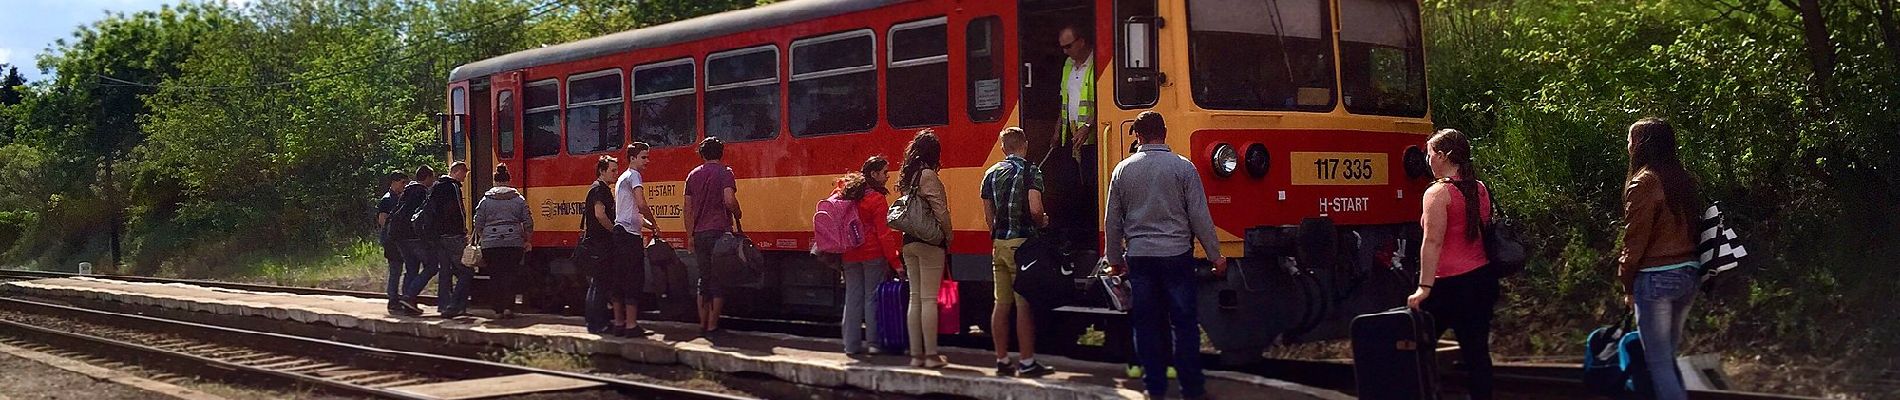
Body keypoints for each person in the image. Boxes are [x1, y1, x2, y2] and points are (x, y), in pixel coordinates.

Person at [1103, 111, 1226, 400]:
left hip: (1141, 259)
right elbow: (1199, 216)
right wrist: (1215, 255)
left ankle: (1154, 388)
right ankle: (1192, 389)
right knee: (1184, 323)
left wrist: (1114, 261)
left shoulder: (1122, 170)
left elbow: (1112, 222)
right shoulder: (1184, 168)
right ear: (1166, 132)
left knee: (1146, 323)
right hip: (1176, 256)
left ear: (1138, 136)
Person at [1405, 128, 1498, 400]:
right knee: (1477, 353)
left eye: (1431, 154)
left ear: (1443, 156)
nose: (1428, 160)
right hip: (1481, 280)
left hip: (1447, 286)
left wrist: (1424, 287)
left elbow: (1432, 242)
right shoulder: (1479, 188)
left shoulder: (1437, 193)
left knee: (1416, 347)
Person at [1618, 118, 1702, 400]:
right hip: (1688, 275)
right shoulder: (1683, 179)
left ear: (1641, 144)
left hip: (1656, 279)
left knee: (1659, 363)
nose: (1628, 146)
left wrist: (1627, 285)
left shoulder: (1644, 182)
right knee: (1667, 357)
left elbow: (1634, 241)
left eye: (1630, 140)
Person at [979, 127, 1053, 377]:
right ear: (1025, 144)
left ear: (1003, 148)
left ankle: (1001, 360)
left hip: (999, 245)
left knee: (1001, 304)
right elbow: (1034, 209)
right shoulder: (1032, 171)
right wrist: (1042, 221)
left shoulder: (990, 174)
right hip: (1023, 247)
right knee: (1023, 306)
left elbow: (989, 214)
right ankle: (1027, 362)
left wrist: (996, 235)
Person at [897, 129, 952, 369]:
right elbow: (940, 210)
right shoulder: (928, 175)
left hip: (908, 241)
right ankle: (931, 356)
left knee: (915, 299)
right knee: (929, 300)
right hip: (929, 242)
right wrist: (948, 236)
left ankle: (916, 356)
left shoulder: (907, 176)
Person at [837, 156, 901, 355]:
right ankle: (873, 343)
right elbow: (884, 235)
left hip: (849, 255)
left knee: (852, 298)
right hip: (872, 255)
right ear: (874, 174)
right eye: (884, 172)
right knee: (871, 298)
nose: (887, 176)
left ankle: (851, 345)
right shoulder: (876, 199)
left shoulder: (847, 193)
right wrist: (895, 262)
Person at [684, 137, 740, 334]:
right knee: (718, 279)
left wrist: (690, 235)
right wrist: (738, 212)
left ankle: (702, 324)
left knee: (703, 278)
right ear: (721, 153)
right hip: (719, 233)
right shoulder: (725, 173)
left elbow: (687, 209)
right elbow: (728, 199)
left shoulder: (692, 175)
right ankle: (713, 325)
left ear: (702, 154)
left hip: (699, 233)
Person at [612, 142, 660, 337]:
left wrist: (649, 225)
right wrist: (655, 223)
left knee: (619, 279)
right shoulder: (634, 176)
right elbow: (641, 205)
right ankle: (632, 326)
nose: (647, 161)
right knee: (633, 278)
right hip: (629, 236)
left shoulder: (621, 178)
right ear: (632, 158)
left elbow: (631, 213)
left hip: (619, 232)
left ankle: (619, 323)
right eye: (644, 157)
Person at [473, 164, 532, 319]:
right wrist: (527, 240)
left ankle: (498, 309)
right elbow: (528, 221)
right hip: (513, 243)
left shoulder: (485, 201)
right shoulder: (519, 199)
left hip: (491, 245)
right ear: (508, 180)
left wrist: (483, 236)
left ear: (495, 181)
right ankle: (508, 308)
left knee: (495, 276)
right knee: (510, 275)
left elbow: (477, 222)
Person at [416, 162, 473, 318]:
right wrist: (464, 230)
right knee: (466, 271)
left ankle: (444, 305)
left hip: (438, 237)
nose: (464, 178)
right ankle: (456, 305)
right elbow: (459, 211)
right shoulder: (452, 187)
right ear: (456, 172)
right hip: (453, 236)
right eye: (464, 174)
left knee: (445, 271)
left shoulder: (435, 186)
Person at [1058, 25, 1098, 201]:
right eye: (1062, 47)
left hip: (1091, 138)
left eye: (1068, 46)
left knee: (1090, 182)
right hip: (1071, 135)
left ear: (1081, 42)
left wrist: (1088, 126)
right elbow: (1064, 101)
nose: (1065, 52)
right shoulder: (1067, 65)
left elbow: (1103, 102)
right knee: (1072, 183)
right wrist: (1056, 131)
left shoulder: (1097, 63)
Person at [581, 155, 620, 334]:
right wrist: (614, 230)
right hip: (600, 244)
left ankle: (594, 322)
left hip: (598, 243)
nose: (615, 173)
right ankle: (598, 323)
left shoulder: (599, 188)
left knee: (597, 284)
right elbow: (599, 214)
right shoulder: (599, 190)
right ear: (602, 171)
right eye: (612, 170)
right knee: (600, 284)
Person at [392, 165, 436, 316]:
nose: (433, 180)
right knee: (432, 266)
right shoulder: (422, 192)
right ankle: (409, 297)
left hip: (399, 236)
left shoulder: (406, 191)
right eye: (432, 177)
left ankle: (408, 304)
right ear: (428, 177)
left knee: (411, 268)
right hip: (413, 235)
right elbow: (425, 216)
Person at [376, 170, 410, 315]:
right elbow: (382, 220)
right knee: (395, 270)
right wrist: (391, 236)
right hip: (391, 240)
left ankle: (399, 298)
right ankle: (393, 300)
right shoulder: (387, 199)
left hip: (398, 239)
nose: (405, 185)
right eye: (403, 182)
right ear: (394, 182)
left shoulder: (399, 198)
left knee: (399, 269)